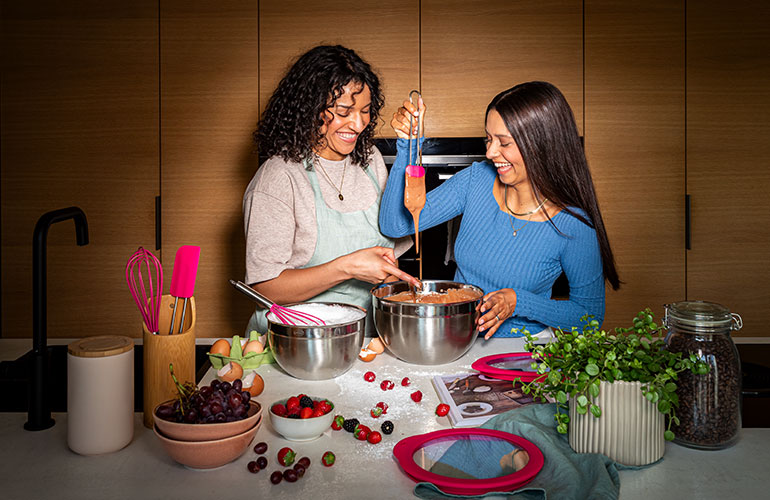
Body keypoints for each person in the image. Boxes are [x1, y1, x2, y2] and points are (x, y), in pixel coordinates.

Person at [380, 81, 620, 339]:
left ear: (542, 145)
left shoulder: (574, 225)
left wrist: (521, 302)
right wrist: (407, 145)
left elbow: (589, 319)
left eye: (504, 143)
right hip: (460, 340)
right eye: (489, 138)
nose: (490, 152)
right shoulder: (477, 180)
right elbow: (395, 225)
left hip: (525, 351)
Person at [243, 45, 417, 334]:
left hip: (365, 334)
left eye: (365, 111)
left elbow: (390, 253)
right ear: (310, 109)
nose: (359, 123)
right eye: (344, 112)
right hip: (297, 340)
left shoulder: (369, 160)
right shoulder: (278, 177)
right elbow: (266, 288)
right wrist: (346, 268)